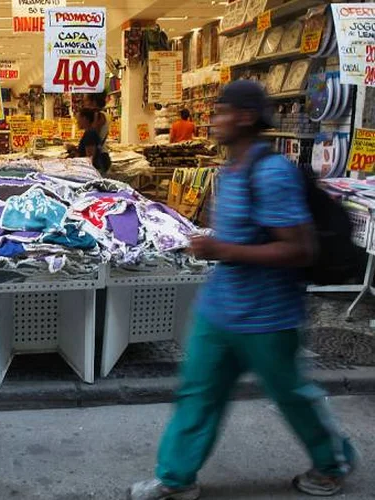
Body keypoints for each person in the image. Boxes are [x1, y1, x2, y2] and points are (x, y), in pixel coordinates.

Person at [127, 81, 356, 500]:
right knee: (197, 393)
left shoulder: (272, 173)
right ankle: (176, 478)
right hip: (220, 309)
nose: (213, 120)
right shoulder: (229, 170)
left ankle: (332, 461)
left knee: (293, 396)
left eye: (221, 111)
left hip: (269, 316)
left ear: (246, 117)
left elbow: (298, 248)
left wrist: (221, 248)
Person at [71, 108, 109, 174]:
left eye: (78, 119)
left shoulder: (90, 134)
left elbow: (89, 158)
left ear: (85, 119)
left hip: (89, 172)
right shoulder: (91, 132)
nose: (77, 122)